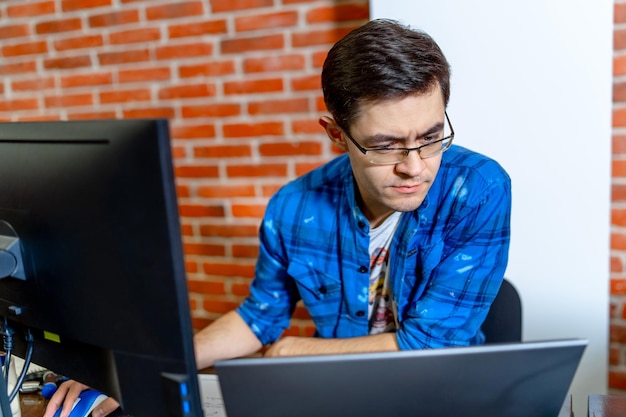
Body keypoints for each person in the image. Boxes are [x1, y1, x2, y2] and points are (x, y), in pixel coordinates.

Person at [43, 18, 511, 417]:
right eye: (386, 146)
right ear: (335, 133)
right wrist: (136, 372)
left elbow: (434, 343)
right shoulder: (293, 207)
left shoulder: (478, 188)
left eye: (431, 137)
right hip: (335, 395)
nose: (414, 165)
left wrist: (297, 351)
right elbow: (259, 316)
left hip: (442, 397)